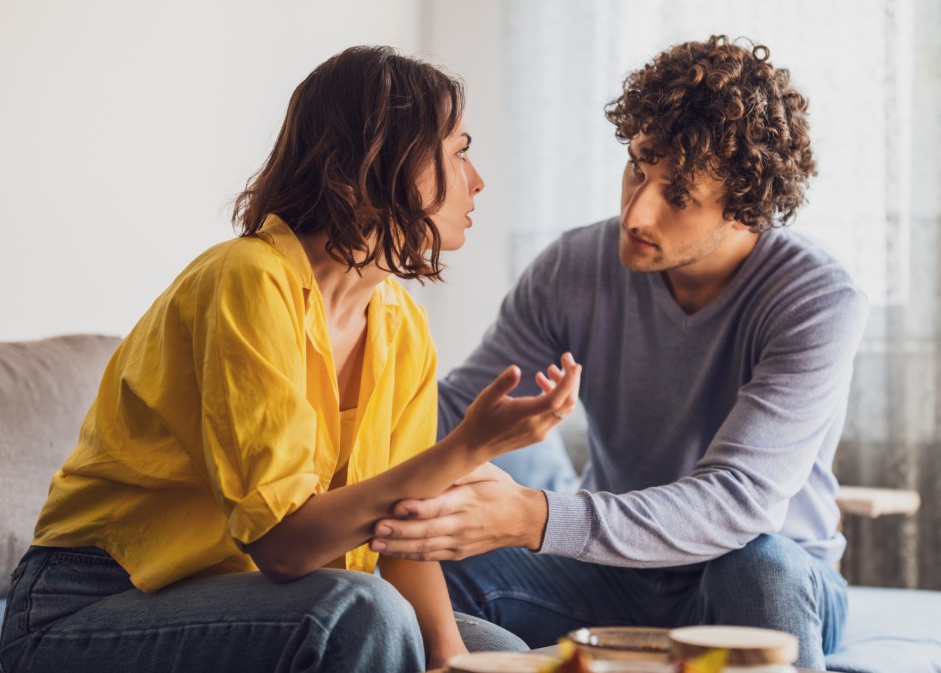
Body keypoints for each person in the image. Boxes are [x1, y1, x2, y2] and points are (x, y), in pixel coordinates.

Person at [0, 46, 581, 673]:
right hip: (86, 601)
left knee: (499, 653)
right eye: (459, 150)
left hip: (239, 594)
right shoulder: (248, 279)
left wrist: (450, 660)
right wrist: (468, 447)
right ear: (379, 157)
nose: (478, 179)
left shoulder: (401, 324)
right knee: (362, 613)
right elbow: (283, 546)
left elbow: (402, 530)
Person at [369, 36, 870, 670]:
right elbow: (456, 409)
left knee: (761, 563)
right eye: (638, 166)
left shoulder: (818, 297)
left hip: (752, 574)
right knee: (407, 545)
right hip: (609, 573)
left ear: (746, 208)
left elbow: (738, 500)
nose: (636, 212)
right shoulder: (575, 265)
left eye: (679, 195)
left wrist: (534, 517)